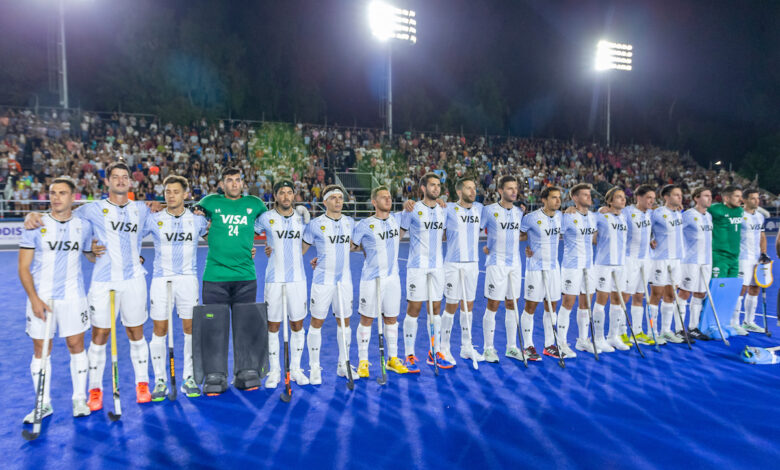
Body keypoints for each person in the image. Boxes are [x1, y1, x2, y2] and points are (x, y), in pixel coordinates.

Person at [26, 161, 156, 407]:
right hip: (102, 282)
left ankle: (142, 384)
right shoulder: (90, 210)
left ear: (130, 181)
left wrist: (157, 205)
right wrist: (33, 215)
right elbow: (61, 215)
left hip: (134, 280)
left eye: (124, 177)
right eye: (115, 177)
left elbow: (162, 218)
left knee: (135, 333)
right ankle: (95, 390)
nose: (119, 180)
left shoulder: (142, 209)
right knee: (99, 335)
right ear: (106, 182)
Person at [19, 177, 95, 422]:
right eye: (52, 193)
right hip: (42, 298)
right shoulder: (35, 225)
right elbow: (23, 268)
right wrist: (34, 299)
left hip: (74, 296)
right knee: (42, 349)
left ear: (73, 197)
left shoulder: (84, 226)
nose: (56, 197)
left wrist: (97, 252)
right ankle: (43, 404)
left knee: (76, 345)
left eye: (62, 193)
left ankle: (78, 398)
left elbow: (90, 255)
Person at [143, 175, 208, 400]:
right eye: (167, 191)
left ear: (185, 194)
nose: (171, 195)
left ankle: (188, 377)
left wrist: (245, 251)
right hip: (161, 280)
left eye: (176, 191)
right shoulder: (153, 219)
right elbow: (129, 236)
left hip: (188, 279)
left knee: (190, 329)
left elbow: (217, 241)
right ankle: (160, 380)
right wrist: (137, 258)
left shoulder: (197, 220)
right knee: (159, 330)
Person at [254, 180, 310, 388]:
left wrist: (300, 254)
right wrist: (255, 249)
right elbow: (247, 233)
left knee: (297, 324)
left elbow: (309, 240)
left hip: (297, 280)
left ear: (294, 195)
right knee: (273, 326)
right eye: (282, 193)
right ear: (275, 196)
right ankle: (275, 371)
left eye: (289, 193)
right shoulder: (266, 218)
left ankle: (295, 368)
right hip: (274, 279)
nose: (286, 197)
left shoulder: (302, 218)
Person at [351, 186, 410, 376]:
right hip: (371, 279)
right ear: (374, 202)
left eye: (389, 197)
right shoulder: (364, 224)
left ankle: (393, 358)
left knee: (392, 319)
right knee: (367, 319)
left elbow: (422, 207)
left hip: (393, 278)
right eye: (383, 198)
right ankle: (363, 362)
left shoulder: (397, 219)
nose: (388, 200)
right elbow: (351, 247)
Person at [303, 185, 359, 381]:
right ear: (325, 201)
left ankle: (343, 364)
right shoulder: (315, 224)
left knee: (345, 322)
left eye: (340, 198)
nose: (338, 201)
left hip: (344, 280)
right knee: (316, 322)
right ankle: (314, 367)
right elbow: (301, 249)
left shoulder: (350, 222)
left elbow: (351, 246)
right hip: (322, 280)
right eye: (333, 198)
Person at [399, 172, 454, 372]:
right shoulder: (412, 209)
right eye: (432, 185)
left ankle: (435, 352)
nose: (436, 189)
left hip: (437, 265)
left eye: (438, 185)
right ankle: (409, 355)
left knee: (436, 309)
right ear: (423, 188)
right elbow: (398, 235)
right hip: (417, 265)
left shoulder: (443, 209)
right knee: (414, 308)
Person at [480, 176, 524, 363]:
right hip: (496, 264)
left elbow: (519, 235)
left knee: (512, 305)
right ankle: (488, 349)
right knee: (493, 305)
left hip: (515, 264)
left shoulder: (519, 212)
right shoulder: (489, 211)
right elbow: (476, 229)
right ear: (500, 191)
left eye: (515, 188)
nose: (514, 191)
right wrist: (486, 245)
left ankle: (511, 347)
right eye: (509, 188)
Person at [441, 176, 484, 364]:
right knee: (451, 305)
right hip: (453, 264)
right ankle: (444, 348)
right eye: (468, 188)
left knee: (469, 306)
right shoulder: (447, 209)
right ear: (459, 192)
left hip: (472, 264)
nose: (473, 191)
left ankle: (466, 347)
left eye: (474, 188)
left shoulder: (480, 209)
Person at [519, 186, 563, 360]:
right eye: (554, 197)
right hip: (535, 268)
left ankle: (549, 345)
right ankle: (528, 346)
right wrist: (527, 248)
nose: (558, 201)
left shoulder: (561, 217)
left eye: (559, 197)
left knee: (552, 307)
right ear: (544, 200)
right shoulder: (531, 218)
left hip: (553, 268)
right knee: (530, 307)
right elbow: (520, 235)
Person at [559, 183, 598, 356]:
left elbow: (595, 238)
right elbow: (552, 233)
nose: (589, 197)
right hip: (571, 266)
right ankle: (561, 343)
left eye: (589, 194)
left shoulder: (593, 216)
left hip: (589, 266)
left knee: (586, 304)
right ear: (575, 198)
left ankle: (583, 340)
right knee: (568, 303)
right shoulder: (567, 216)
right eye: (584, 195)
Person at [591, 187, 630, 353]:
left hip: (621, 264)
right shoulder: (601, 216)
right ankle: (598, 338)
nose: (623, 200)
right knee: (602, 299)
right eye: (619, 197)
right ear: (610, 201)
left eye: (624, 197)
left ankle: (613, 336)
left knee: (617, 300)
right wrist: (600, 210)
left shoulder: (624, 217)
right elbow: (592, 237)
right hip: (604, 264)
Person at [648, 184, 686, 345]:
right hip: (660, 259)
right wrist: (650, 239)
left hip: (676, 260)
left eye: (681, 195)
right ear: (666, 197)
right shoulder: (656, 213)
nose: (680, 197)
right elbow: (644, 228)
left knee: (671, 295)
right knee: (656, 295)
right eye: (676, 195)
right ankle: (652, 331)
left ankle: (666, 330)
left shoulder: (679, 214)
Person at [621, 185, 656, 345]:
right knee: (625, 296)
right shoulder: (627, 212)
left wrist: (651, 240)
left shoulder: (651, 213)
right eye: (649, 197)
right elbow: (607, 212)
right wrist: (602, 210)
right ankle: (621, 332)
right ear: (639, 197)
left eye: (653, 198)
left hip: (646, 259)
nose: (652, 201)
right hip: (630, 259)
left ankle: (637, 331)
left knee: (639, 296)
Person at [677, 187, 713, 341]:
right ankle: (679, 329)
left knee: (700, 294)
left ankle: (693, 327)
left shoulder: (709, 216)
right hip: (690, 261)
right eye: (706, 196)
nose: (710, 198)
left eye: (710, 196)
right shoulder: (688, 215)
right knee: (684, 293)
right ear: (696, 198)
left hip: (706, 261)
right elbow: (676, 231)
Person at [733, 188, 768, 334]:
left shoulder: (760, 216)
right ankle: (734, 322)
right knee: (740, 289)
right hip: (742, 258)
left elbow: (762, 236)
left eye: (757, 198)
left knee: (755, 288)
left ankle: (749, 321)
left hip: (756, 258)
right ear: (745, 200)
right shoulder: (738, 215)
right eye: (753, 198)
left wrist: (764, 253)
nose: (756, 201)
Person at [708, 186, 743, 279]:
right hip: (720, 256)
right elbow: (698, 211)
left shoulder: (740, 210)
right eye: (737, 196)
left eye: (741, 196)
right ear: (726, 198)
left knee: (730, 289)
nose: (741, 199)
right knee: (718, 288)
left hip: (735, 257)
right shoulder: (715, 209)